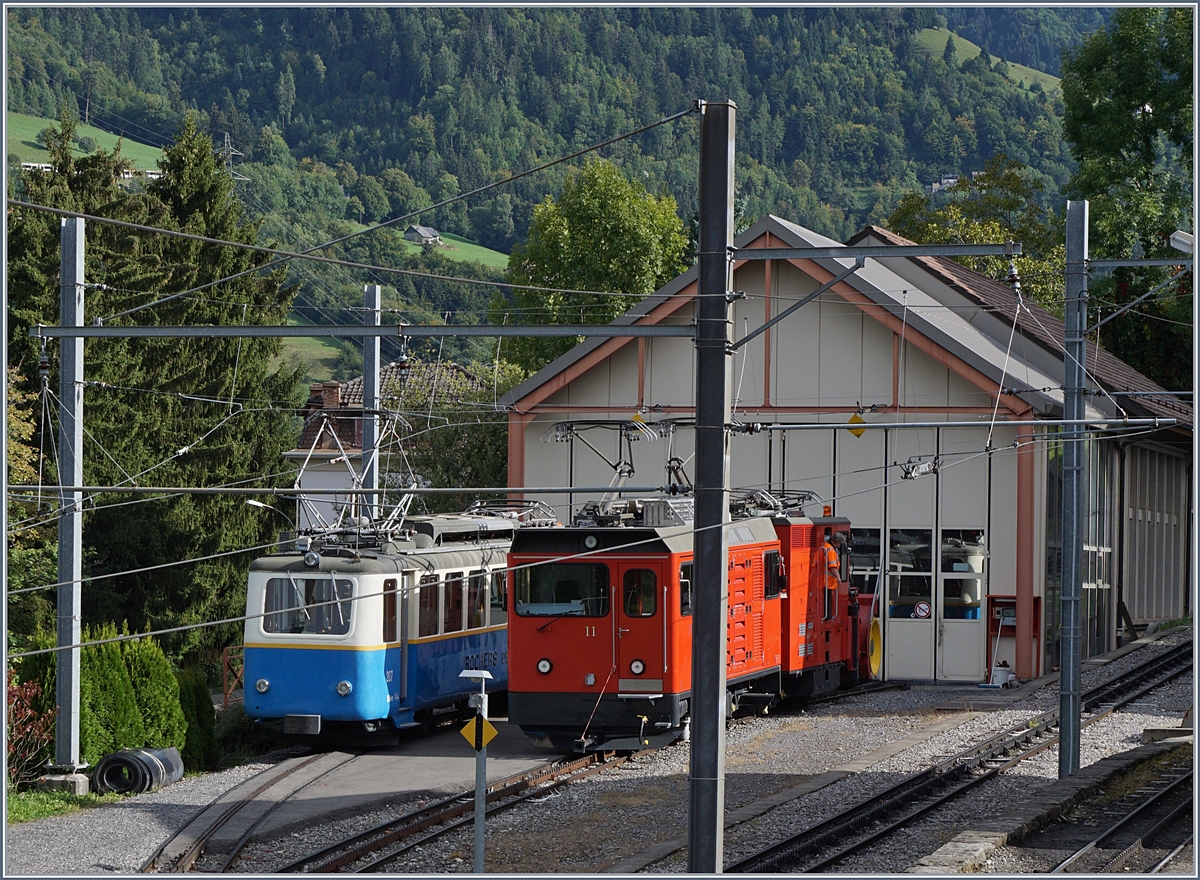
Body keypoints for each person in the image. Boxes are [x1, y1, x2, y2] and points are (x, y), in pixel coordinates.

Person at [823, 531, 846, 619]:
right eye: (840, 543)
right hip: (827, 581)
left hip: (824, 580)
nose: (840, 545)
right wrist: (839, 578)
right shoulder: (831, 550)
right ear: (837, 542)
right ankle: (828, 616)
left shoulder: (825, 546)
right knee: (827, 601)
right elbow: (832, 566)